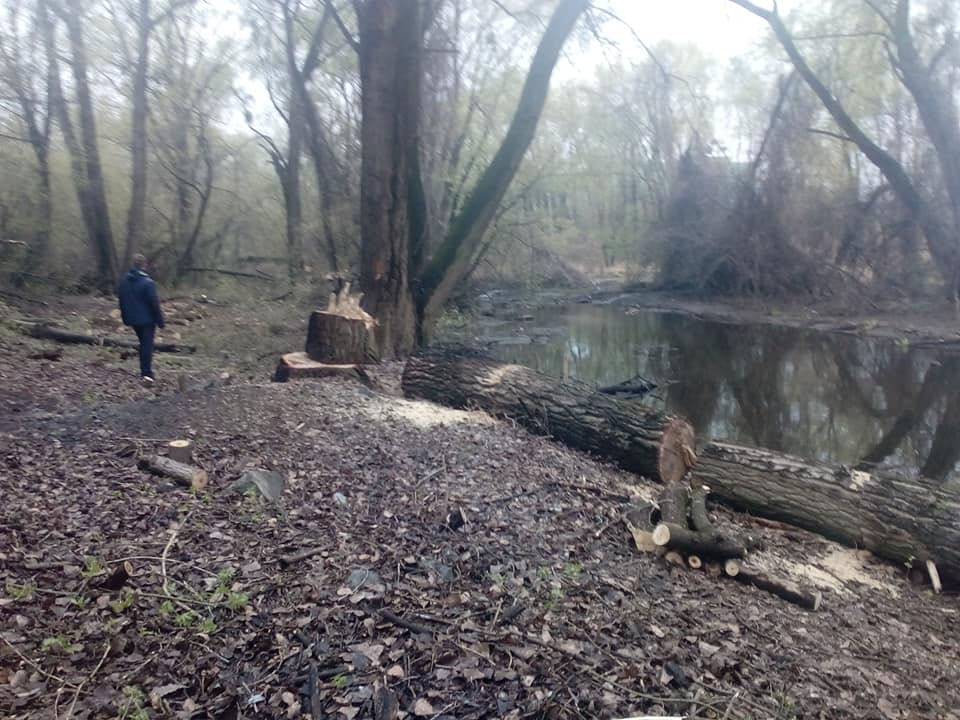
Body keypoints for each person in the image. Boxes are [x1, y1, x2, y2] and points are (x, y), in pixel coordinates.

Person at [117, 254, 165, 382]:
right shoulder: (148, 283)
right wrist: (160, 321)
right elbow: (154, 303)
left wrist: (125, 317)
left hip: (133, 319)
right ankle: (146, 373)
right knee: (147, 346)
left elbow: (121, 300)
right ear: (144, 265)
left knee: (143, 344)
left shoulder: (124, 281)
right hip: (147, 320)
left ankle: (145, 371)